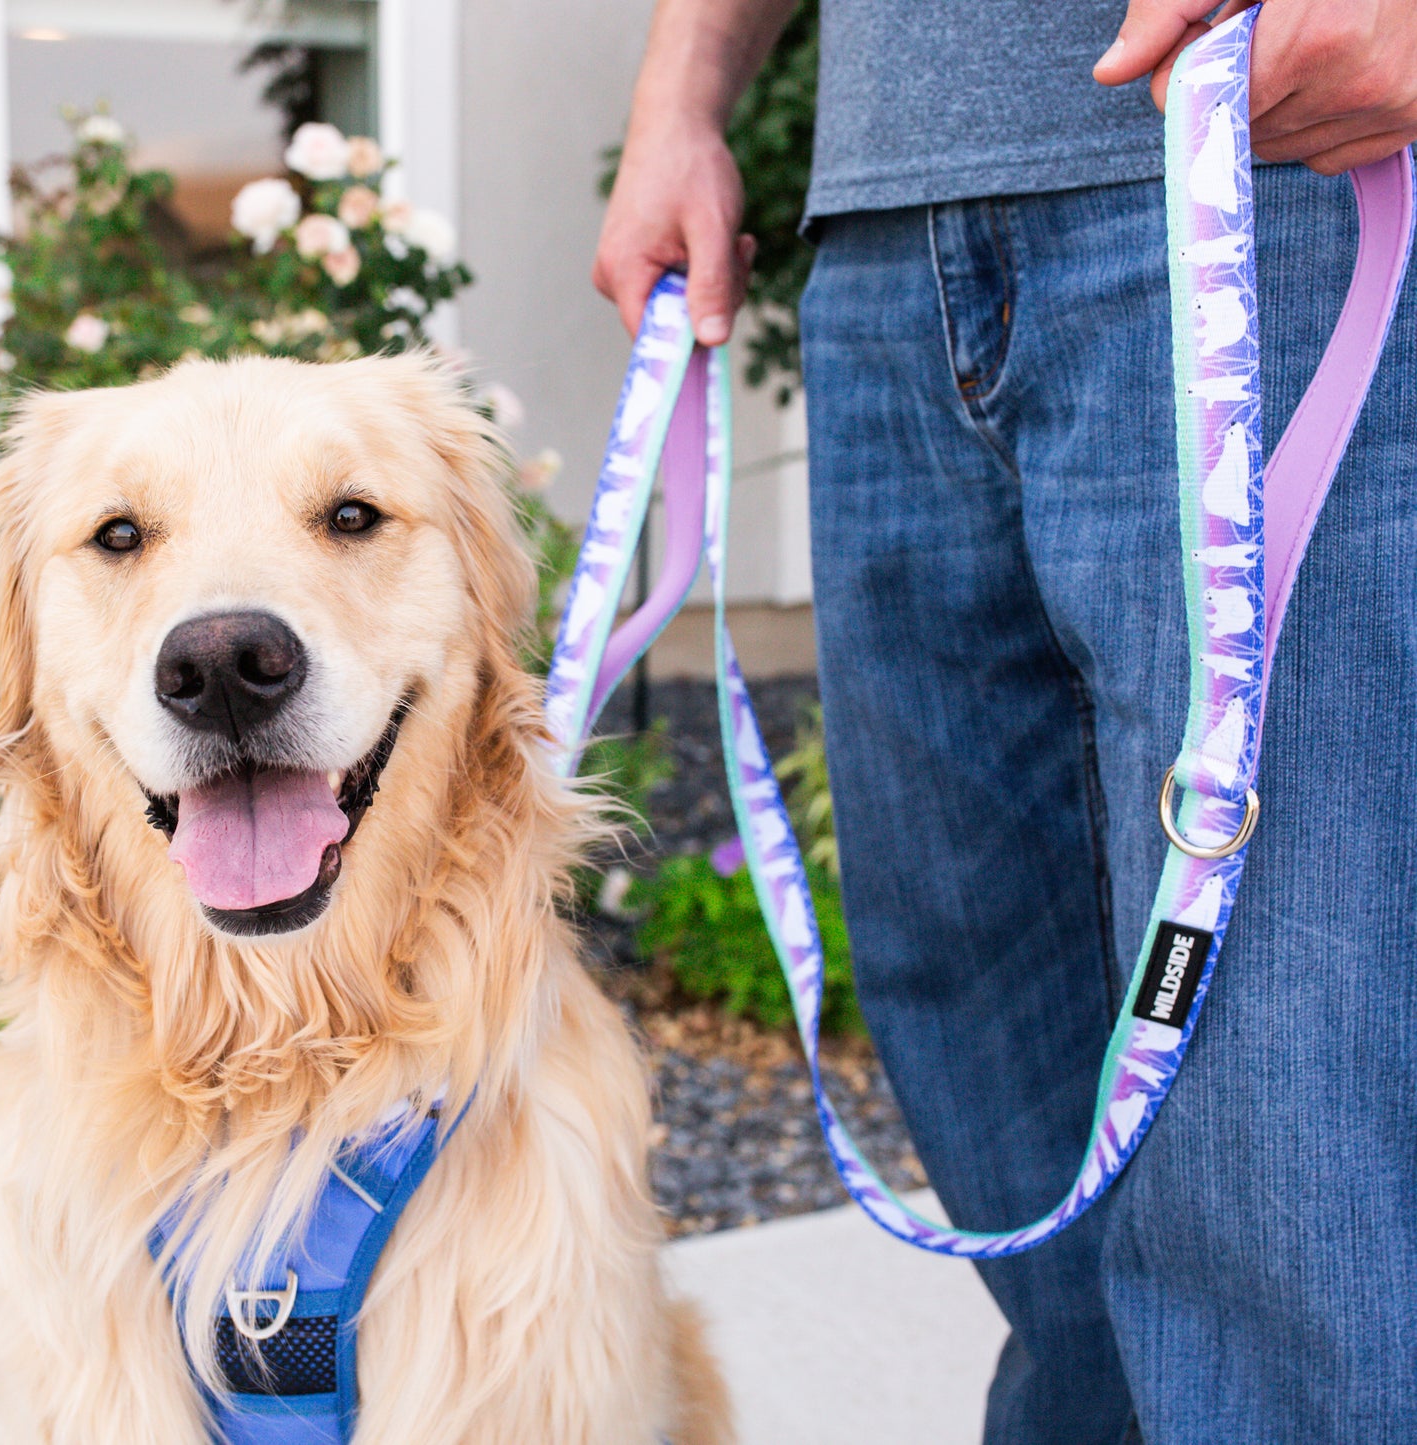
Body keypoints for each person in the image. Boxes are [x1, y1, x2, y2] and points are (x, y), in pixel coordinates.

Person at [595, 3, 1417, 1443]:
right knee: (982, 1047)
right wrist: (681, 90)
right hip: (879, 241)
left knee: (1298, 1155)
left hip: (1267, 181)